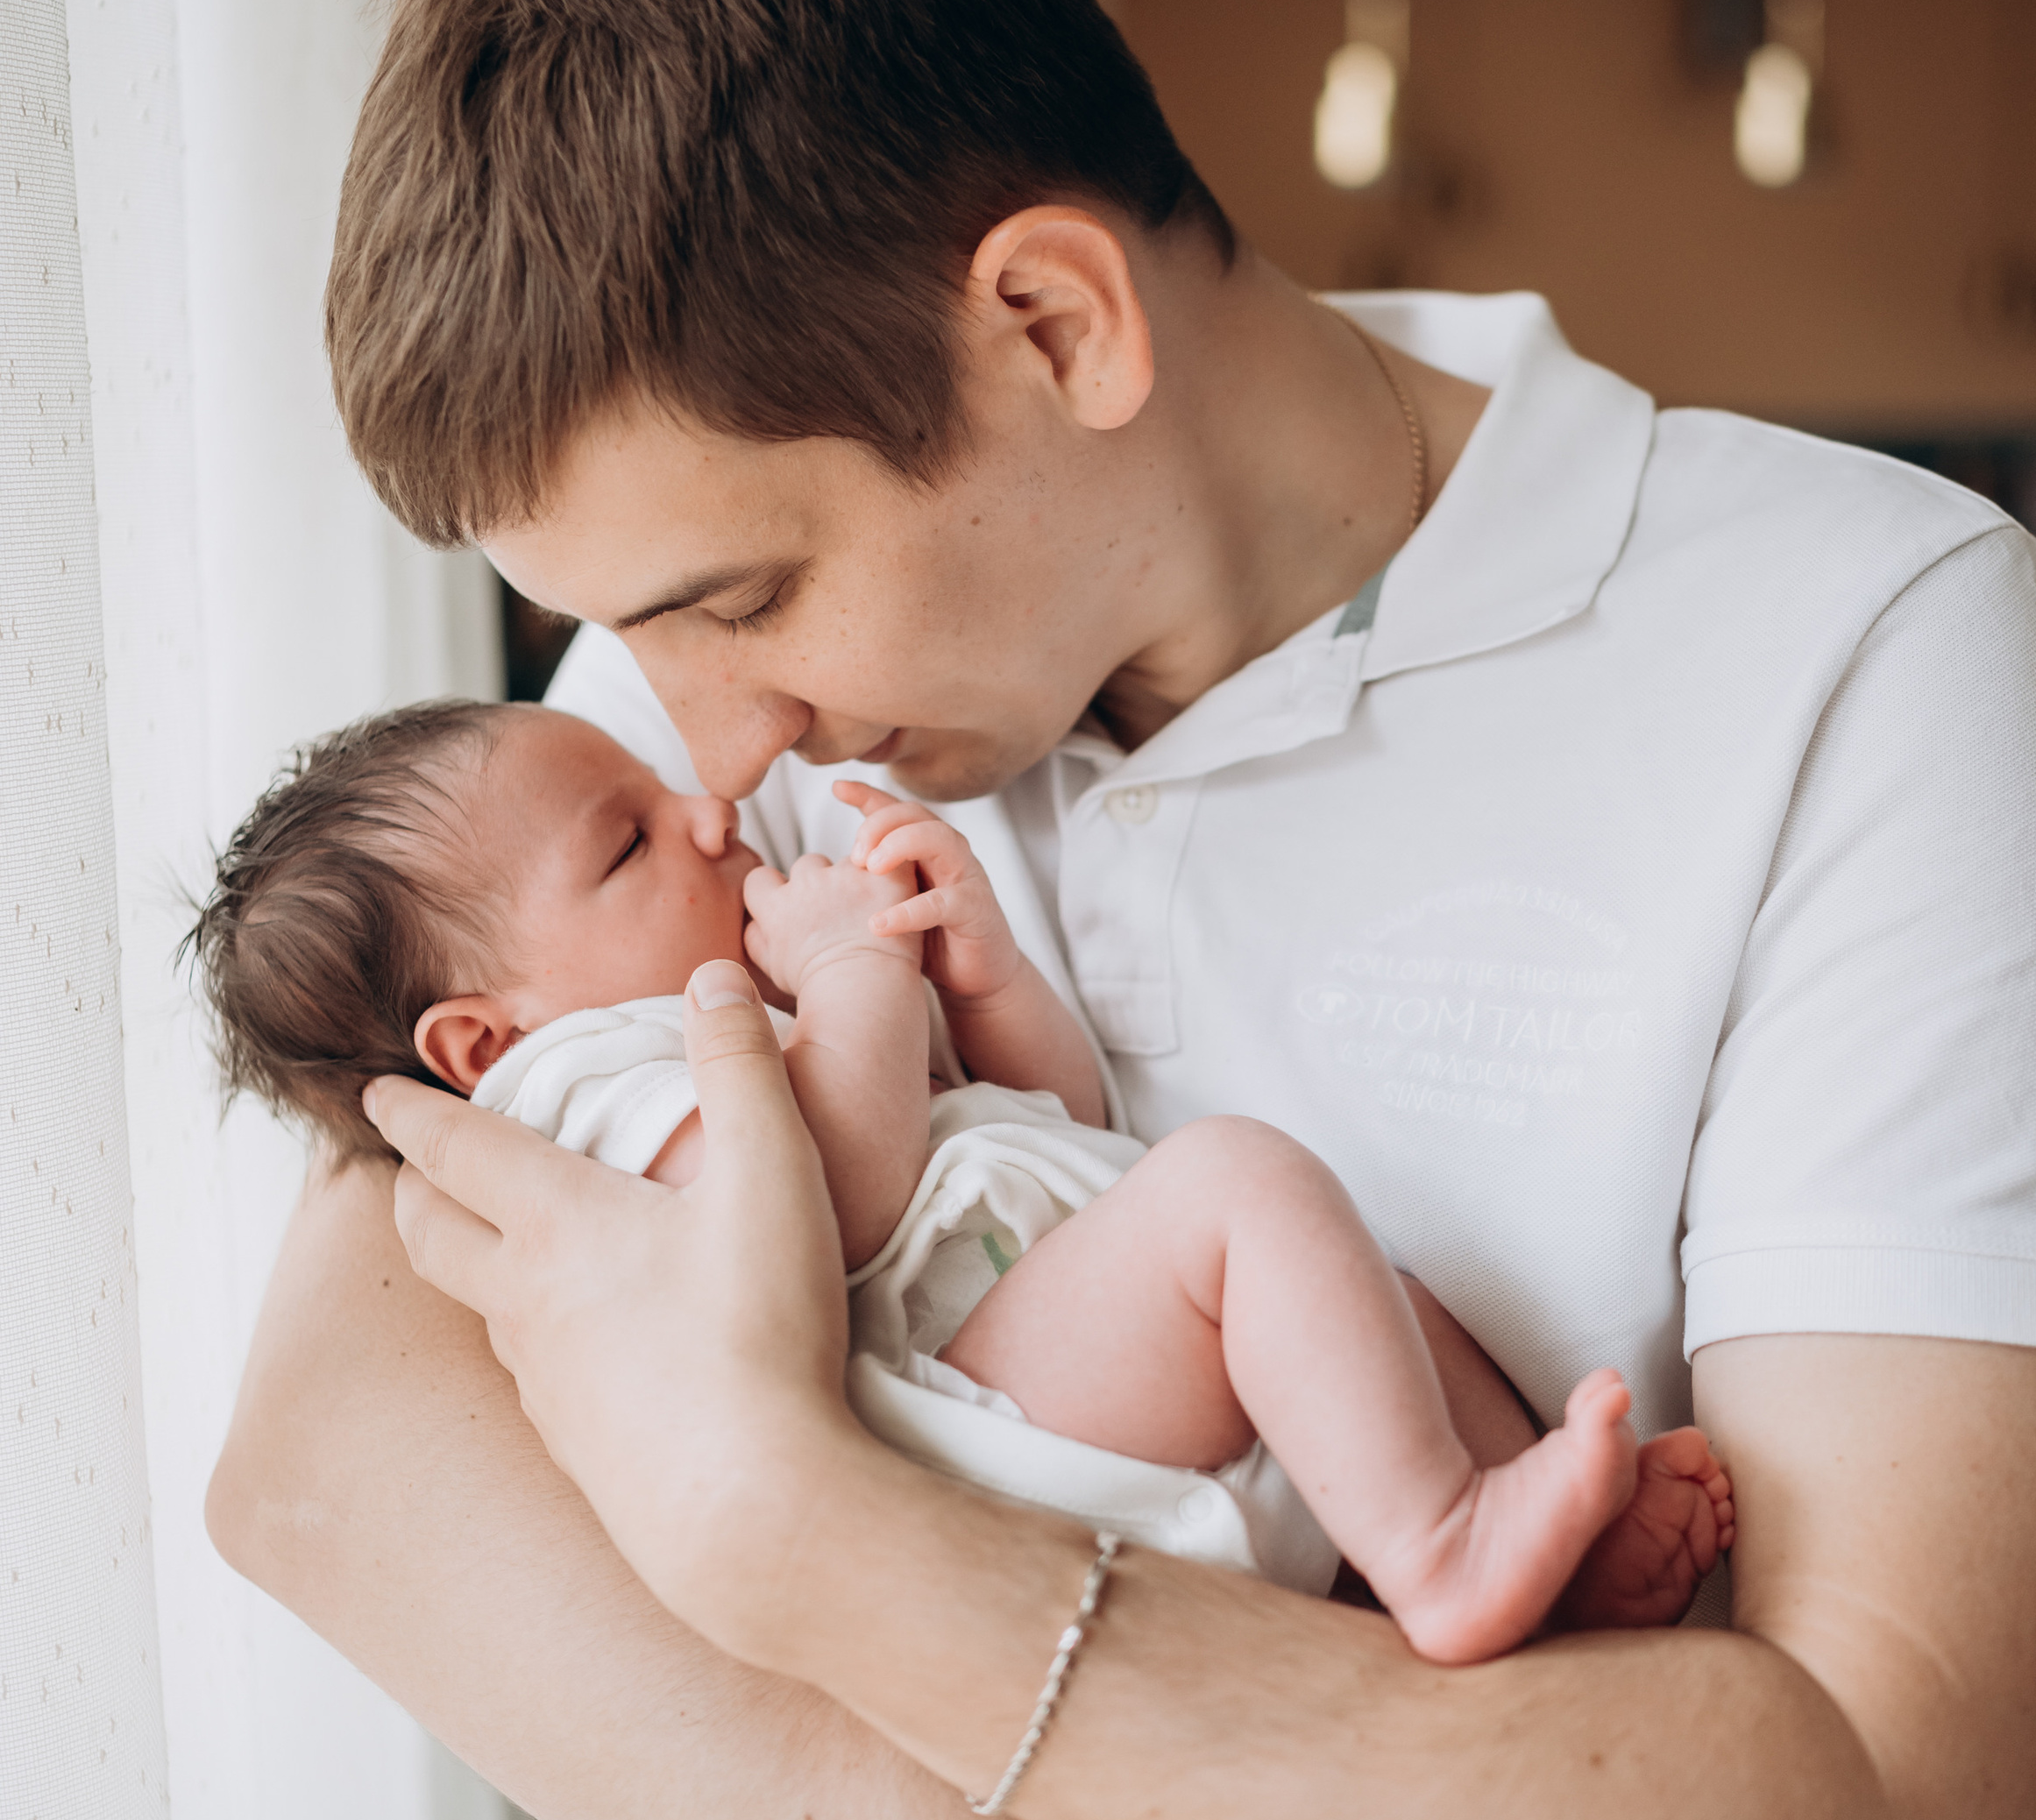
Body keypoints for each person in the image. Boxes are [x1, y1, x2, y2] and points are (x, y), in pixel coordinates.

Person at [211, 0, 2036, 1820]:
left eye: (737, 600)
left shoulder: (1852, 648)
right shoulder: (670, 724)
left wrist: (817, 1547)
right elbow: (328, 1465)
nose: (700, 725)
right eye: (641, 629)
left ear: (1049, 320)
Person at [188, 698, 1735, 1661]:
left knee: (1334, 1292)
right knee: (1239, 1193)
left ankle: (1517, 1558)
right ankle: (1445, 1551)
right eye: (629, 845)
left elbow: (1052, 1141)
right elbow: (811, 1228)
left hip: (1011, 1337)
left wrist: (974, 983)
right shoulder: (575, 1099)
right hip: (965, 1420)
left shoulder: (737, 1013)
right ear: (478, 1038)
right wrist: (860, 979)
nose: (713, 815)